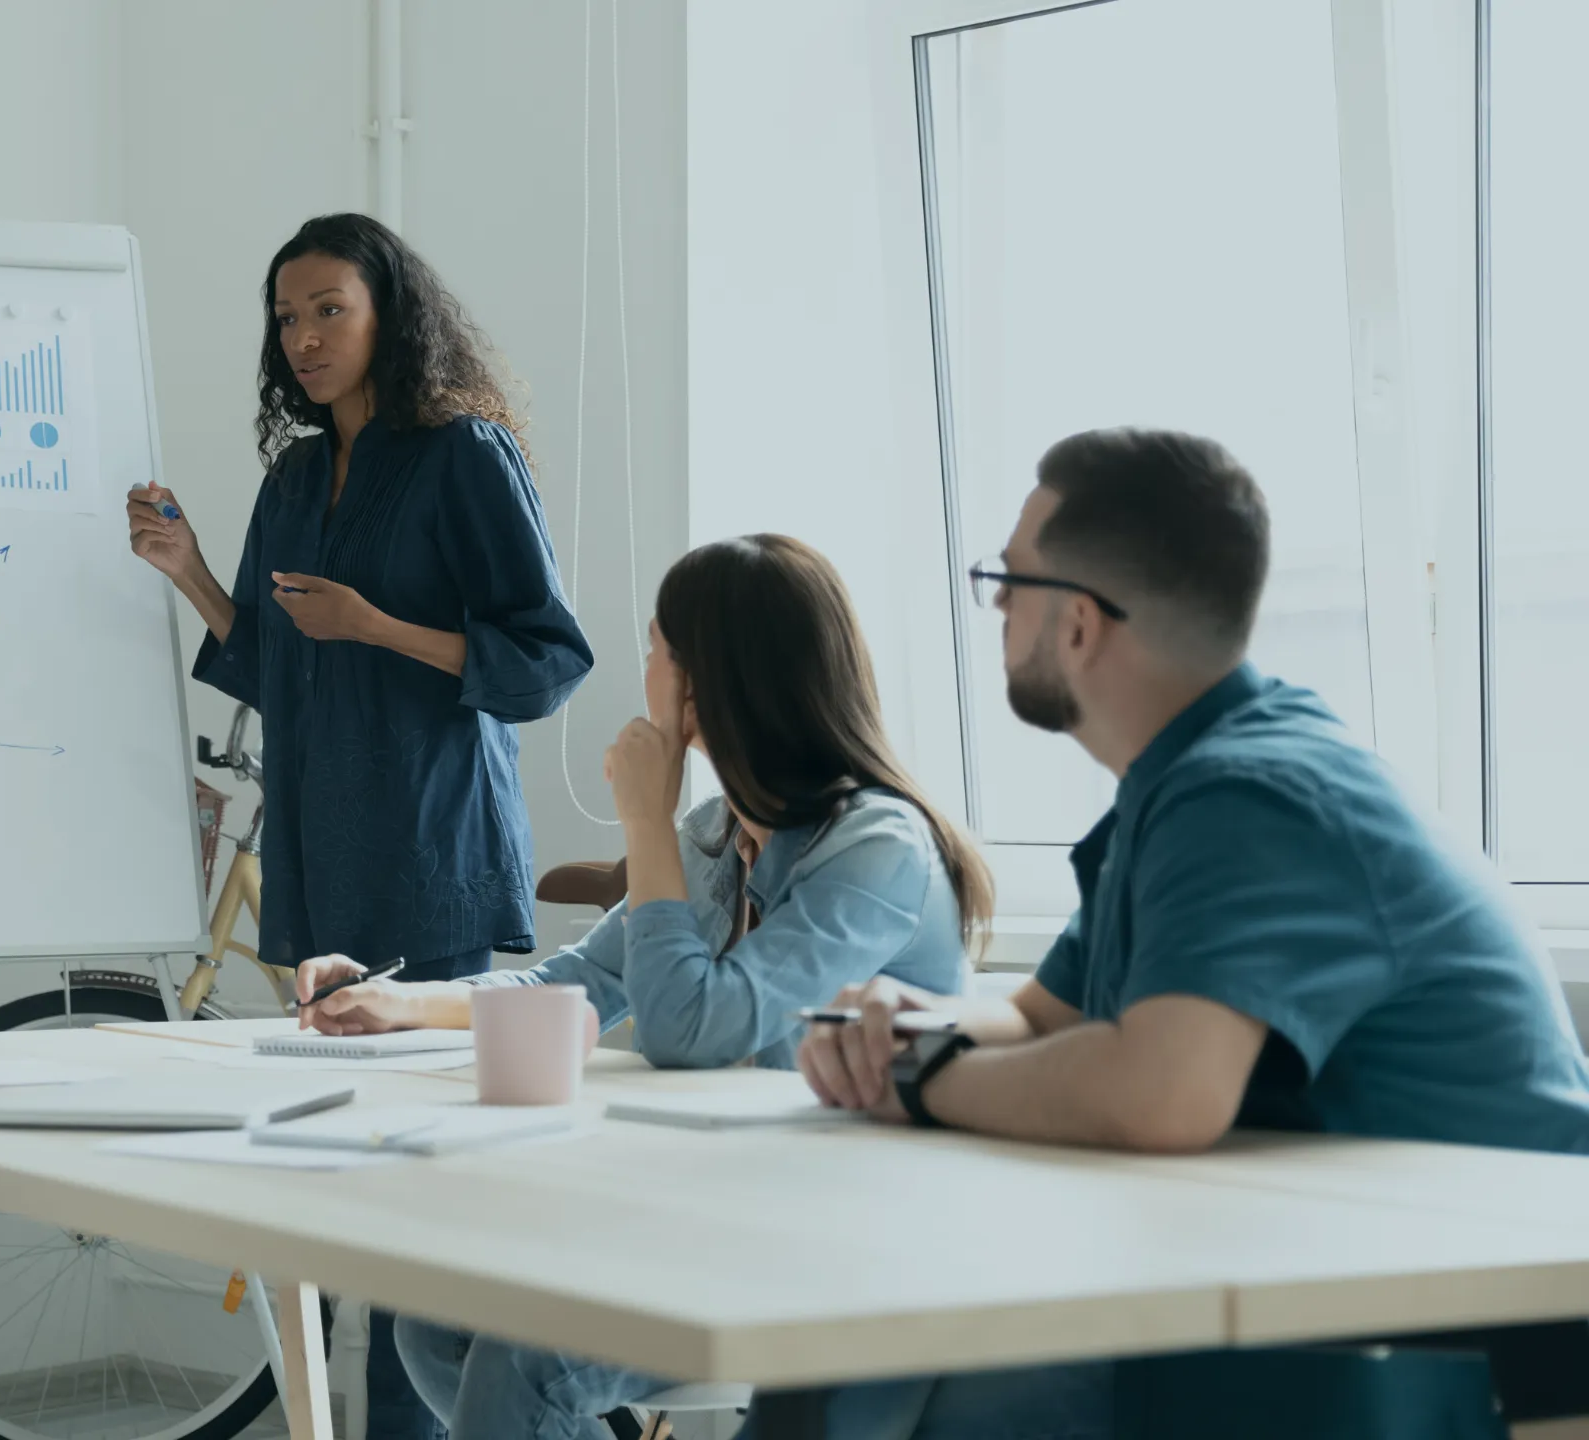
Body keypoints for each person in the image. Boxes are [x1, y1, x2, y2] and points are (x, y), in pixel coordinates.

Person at [795, 427, 1589, 1439]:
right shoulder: (1185, 783)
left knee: (943, 1398)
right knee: (903, 1386)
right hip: (1340, 1287)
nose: (993, 604)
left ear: (1077, 624)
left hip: (1477, 1339)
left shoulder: (1248, 794)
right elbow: (1045, 1017)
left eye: (1007, 577)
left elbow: (1163, 1096)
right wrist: (908, 1020)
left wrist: (921, 1080)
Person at [295, 534, 993, 1440]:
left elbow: (688, 1029)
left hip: (842, 1241)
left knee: (523, 1363)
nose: (647, 669)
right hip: (726, 1210)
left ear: (705, 682)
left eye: (658, 649)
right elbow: (578, 983)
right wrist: (398, 1003)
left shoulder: (876, 848)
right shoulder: (713, 835)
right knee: (434, 1321)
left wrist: (643, 820)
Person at [124, 211, 593, 1439]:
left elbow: (546, 660)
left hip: (430, 847)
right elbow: (276, 659)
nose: (304, 337)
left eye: (329, 308)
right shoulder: (290, 477)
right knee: (343, 1190)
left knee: (408, 1204)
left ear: (389, 311)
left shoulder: (463, 455)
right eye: (287, 317)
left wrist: (379, 626)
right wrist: (186, 572)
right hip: (323, 848)